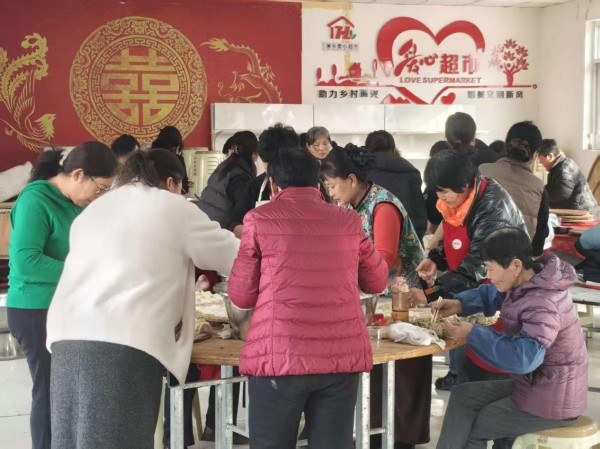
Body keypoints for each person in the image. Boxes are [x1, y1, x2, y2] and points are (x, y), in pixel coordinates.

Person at [46, 149, 240, 449]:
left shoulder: (98, 208)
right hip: (123, 345)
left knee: (72, 440)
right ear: (171, 182)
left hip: (66, 339)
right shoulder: (173, 206)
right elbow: (233, 257)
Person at [228, 146, 388, 449]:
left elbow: (241, 295)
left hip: (279, 356)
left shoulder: (259, 220)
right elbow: (377, 280)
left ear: (273, 183)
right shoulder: (348, 220)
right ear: (317, 182)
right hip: (340, 358)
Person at [7, 142, 117, 449]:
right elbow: (27, 261)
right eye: (100, 188)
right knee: (49, 393)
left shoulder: (73, 201)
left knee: (67, 395)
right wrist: (85, 271)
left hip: (64, 306)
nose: (99, 196)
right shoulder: (35, 200)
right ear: (78, 174)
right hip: (35, 309)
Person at [434, 227, 587, 449]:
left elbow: (523, 360)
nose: (489, 276)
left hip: (552, 402)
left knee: (470, 428)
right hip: (536, 386)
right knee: (462, 396)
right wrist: (460, 304)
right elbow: (495, 294)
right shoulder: (528, 282)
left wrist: (473, 333)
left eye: (490, 268)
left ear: (515, 265)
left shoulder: (542, 303)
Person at [322, 144, 428, 449]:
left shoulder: (383, 205)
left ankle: (399, 439)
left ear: (351, 179)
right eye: (326, 186)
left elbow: (384, 258)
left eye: (332, 185)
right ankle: (375, 432)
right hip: (373, 296)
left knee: (400, 372)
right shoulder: (350, 205)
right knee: (375, 370)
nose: (330, 192)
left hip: (402, 299)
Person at [417, 150, 526, 391]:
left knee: (485, 350)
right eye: (437, 192)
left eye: (444, 191)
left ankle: (477, 382)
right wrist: (436, 258)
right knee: (460, 331)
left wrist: (432, 293)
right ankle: (460, 375)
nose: (440, 197)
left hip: (495, 287)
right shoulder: (462, 198)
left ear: (465, 185)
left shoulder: (492, 207)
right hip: (468, 282)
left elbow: (477, 265)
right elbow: (458, 237)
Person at [479, 121, 549, 256]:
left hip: (478, 257)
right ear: (535, 154)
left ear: (506, 146)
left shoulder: (482, 171)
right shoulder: (538, 187)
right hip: (515, 264)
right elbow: (538, 244)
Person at [425, 112, 500, 233]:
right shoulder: (496, 160)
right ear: (473, 137)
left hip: (457, 233)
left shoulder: (443, 167)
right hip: (493, 230)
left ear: (446, 138)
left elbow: (434, 216)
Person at [229, 123, 300, 238]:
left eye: (279, 164)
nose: (273, 170)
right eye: (268, 164)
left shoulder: (309, 184)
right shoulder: (254, 187)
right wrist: (259, 233)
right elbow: (234, 224)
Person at [365, 129, 427, 240]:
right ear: (393, 149)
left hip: (372, 242)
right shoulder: (410, 171)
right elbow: (418, 215)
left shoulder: (361, 173)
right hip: (408, 239)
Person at [198, 131, 258, 229]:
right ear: (253, 154)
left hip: (206, 224)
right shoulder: (241, 177)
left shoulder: (224, 168)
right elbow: (241, 215)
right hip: (221, 230)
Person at [537, 138, 599, 217]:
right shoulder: (557, 167)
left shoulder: (564, 168)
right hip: (577, 211)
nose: (539, 161)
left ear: (550, 156)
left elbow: (562, 194)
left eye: (539, 157)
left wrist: (540, 196)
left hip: (585, 214)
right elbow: (553, 189)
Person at [152, 125, 191, 194]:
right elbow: (184, 189)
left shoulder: (148, 156)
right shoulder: (177, 159)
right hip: (170, 198)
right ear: (177, 147)